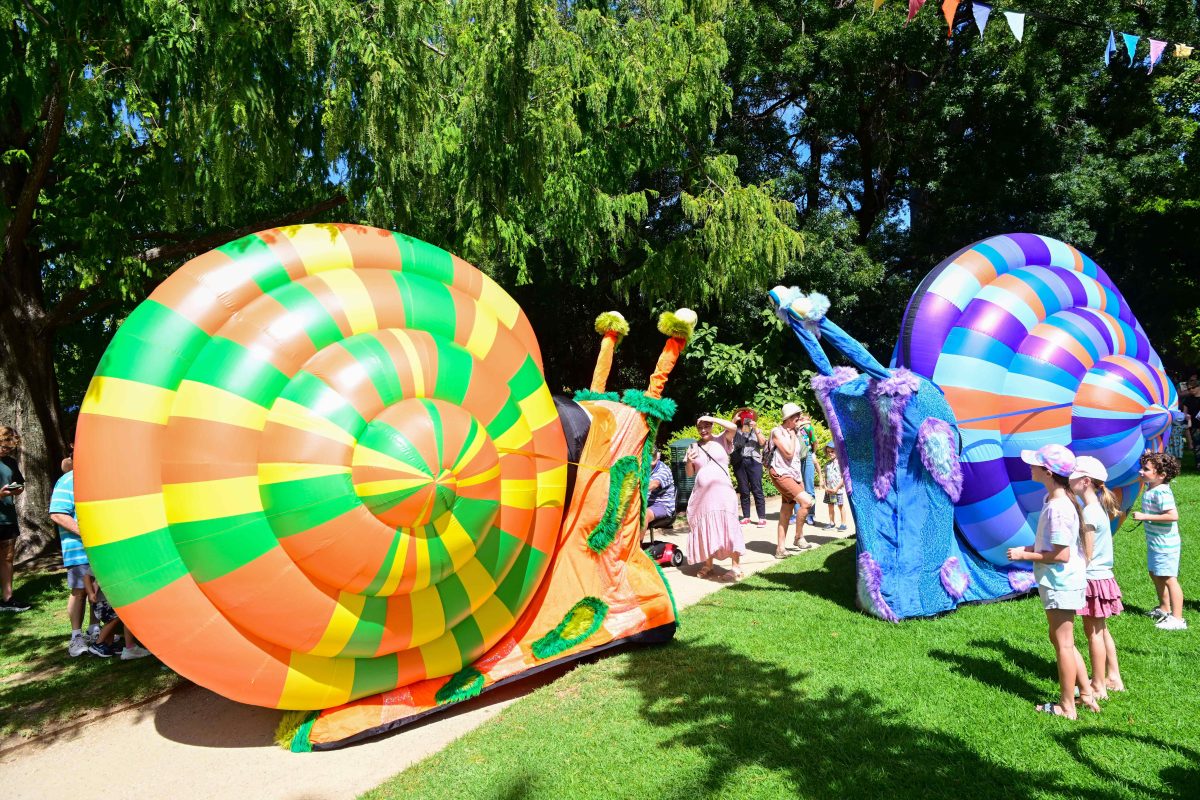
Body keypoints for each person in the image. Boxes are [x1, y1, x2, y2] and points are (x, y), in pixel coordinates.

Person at [1007, 444, 1099, 719]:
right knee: (1061, 640)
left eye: (1035, 464)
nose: (1030, 467)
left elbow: (1061, 554)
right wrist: (1032, 548)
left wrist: (1025, 554)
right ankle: (1085, 694)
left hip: (1061, 581)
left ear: (1047, 472)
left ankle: (1067, 706)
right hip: (1058, 581)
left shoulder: (1059, 506)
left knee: (1064, 645)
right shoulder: (1056, 500)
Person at [1069, 456, 1125, 698]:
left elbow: (1087, 554)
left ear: (1085, 481)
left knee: (1092, 633)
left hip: (1093, 579)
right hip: (1104, 577)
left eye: (1071, 477)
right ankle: (1113, 677)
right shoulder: (1097, 508)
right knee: (1101, 631)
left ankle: (1099, 685)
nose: (1067, 481)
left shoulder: (1089, 512)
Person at [685, 414, 745, 581]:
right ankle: (708, 564)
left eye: (706, 426)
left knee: (729, 524)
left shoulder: (722, 439)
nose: (703, 430)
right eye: (700, 427)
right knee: (706, 526)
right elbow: (690, 473)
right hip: (702, 496)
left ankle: (735, 566)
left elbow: (733, 427)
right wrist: (689, 462)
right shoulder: (693, 446)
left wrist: (711, 418)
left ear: (711, 426)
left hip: (723, 493)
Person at [1132, 452, 1187, 630]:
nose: (1141, 471)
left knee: (1169, 578)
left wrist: (1144, 516)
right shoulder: (1151, 487)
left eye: (1146, 469)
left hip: (1166, 544)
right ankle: (1164, 608)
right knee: (1155, 573)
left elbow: (1173, 516)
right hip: (1155, 542)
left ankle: (1178, 619)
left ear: (1161, 475)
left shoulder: (1162, 492)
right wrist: (1151, 455)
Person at [49, 457, 95, 656]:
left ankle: (95, 630)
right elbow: (57, 513)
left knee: (98, 588)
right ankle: (76, 637)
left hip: (100, 548)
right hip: (77, 548)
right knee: (79, 590)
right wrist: (85, 532)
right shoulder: (69, 480)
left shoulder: (97, 478)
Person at [768, 403, 815, 558]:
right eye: (796, 416)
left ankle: (780, 549)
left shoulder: (795, 432)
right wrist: (794, 435)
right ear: (788, 418)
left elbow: (801, 454)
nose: (799, 419)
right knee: (807, 502)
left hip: (794, 475)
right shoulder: (777, 432)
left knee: (786, 511)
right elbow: (788, 453)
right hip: (781, 474)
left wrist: (802, 432)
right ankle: (798, 537)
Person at [0, 426, 30, 612]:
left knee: (7, 559)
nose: (6, 451)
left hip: (7, 518)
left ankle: (7, 599)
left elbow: (20, 484)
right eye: (3, 447)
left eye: (10, 449)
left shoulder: (10, 463)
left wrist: (17, 489)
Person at [730, 409, 767, 527]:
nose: (745, 420)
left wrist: (755, 429)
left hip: (754, 462)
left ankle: (762, 517)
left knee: (757, 489)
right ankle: (746, 516)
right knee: (743, 490)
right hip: (739, 462)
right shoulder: (734, 431)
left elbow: (762, 443)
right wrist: (733, 421)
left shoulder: (755, 430)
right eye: (743, 417)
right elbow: (726, 439)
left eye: (748, 417)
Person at [798, 415, 822, 526]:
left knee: (809, 487)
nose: (802, 419)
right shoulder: (795, 428)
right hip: (795, 457)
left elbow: (815, 442)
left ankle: (810, 515)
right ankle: (797, 514)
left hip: (807, 455)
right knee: (796, 487)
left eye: (805, 418)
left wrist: (813, 452)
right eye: (801, 418)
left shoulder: (808, 428)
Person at [646, 448, 676, 530]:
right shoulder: (642, 468)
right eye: (649, 454)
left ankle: (638, 543)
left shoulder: (664, 470)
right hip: (646, 504)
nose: (652, 457)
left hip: (662, 505)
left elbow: (654, 484)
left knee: (643, 516)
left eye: (654, 454)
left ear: (658, 455)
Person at [821, 443, 847, 532]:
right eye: (828, 452)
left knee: (840, 505)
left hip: (837, 490)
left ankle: (843, 524)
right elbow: (825, 476)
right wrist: (825, 487)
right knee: (830, 505)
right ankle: (832, 523)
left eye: (832, 451)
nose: (830, 453)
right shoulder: (827, 464)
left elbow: (844, 477)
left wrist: (836, 488)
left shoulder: (841, 463)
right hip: (830, 490)